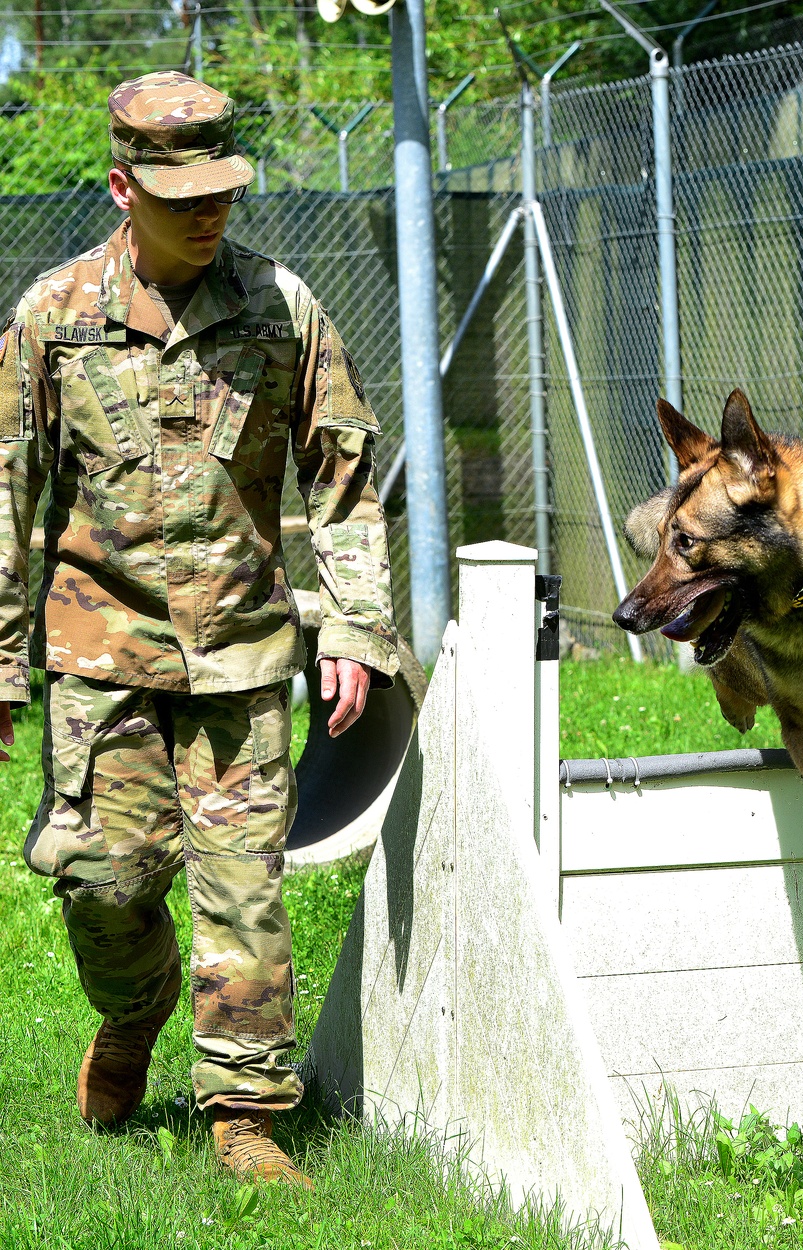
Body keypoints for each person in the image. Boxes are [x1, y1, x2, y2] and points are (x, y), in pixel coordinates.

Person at [0, 70, 398, 1188]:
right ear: (125, 187)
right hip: (99, 653)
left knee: (244, 891)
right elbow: (7, 488)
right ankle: (134, 1009)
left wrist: (356, 628)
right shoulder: (55, 317)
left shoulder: (282, 308)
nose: (208, 211)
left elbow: (345, 476)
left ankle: (244, 1113)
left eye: (220, 188)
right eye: (181, 196)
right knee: (103, 882)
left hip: (242, 655)